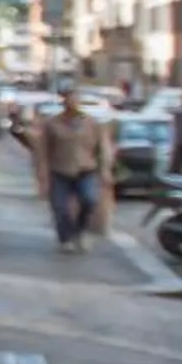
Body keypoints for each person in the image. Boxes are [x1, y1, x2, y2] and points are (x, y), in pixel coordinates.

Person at [25, 93, 116, 252]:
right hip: (60, 170)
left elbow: (102, 148)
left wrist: (105, 170)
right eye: (69, 102)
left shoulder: (91, 123)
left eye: (75, 102)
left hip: (85, 169)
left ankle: (80, 232)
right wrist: (41, 173)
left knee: (89, 201)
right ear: (64, 104)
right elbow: (42, 150)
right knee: (60, 207)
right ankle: (65, 238)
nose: (72, 105)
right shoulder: (52, 124)